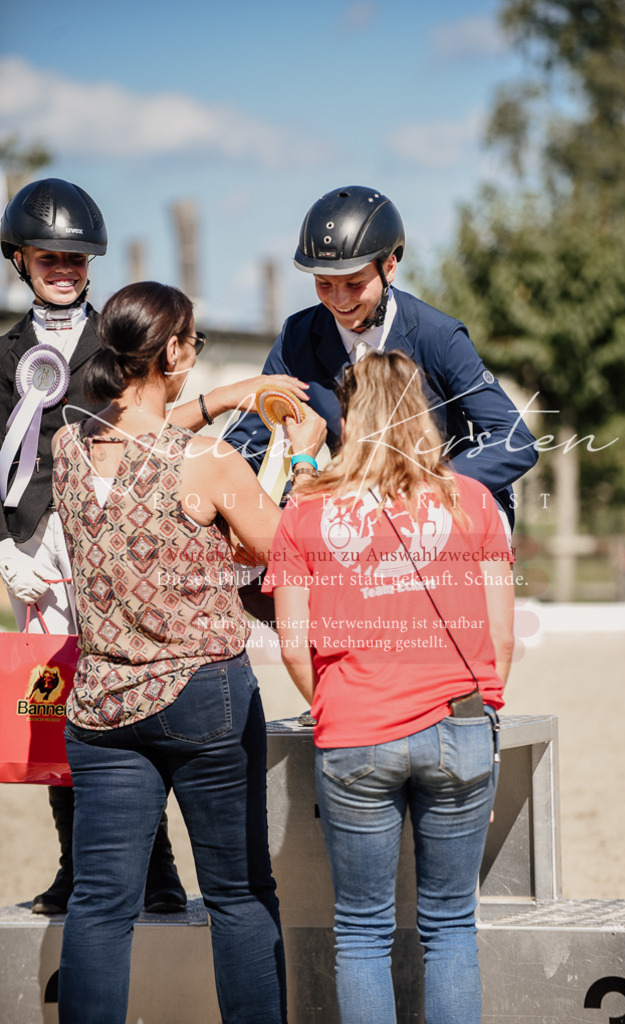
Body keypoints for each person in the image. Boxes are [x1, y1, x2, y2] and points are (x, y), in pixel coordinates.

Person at [51, 280, 324, 1024]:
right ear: (172, 351)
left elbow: (139, 431)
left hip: (103, 706)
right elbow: (283, 549)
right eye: (193, 342)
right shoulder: (204, 461)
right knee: (238, 896)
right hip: (203, 694)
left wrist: (228, 395)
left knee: (102, 904)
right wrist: (298, 459)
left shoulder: (68, 445)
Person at [264, 351, 515, 1024]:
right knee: (451, 927)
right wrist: (485, 728)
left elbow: (293, 644)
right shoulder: (474, 500)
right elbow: (502, 637)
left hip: (357, 730)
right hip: (460, 725)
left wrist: (335, 702)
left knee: (364, 932)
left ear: (350, 415)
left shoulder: (306, 511)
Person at [0, 177, 184, 914]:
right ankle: (77, 865)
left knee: (127, 701)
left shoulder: (119, 339)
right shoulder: (5, 352)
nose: (65, 269)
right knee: (54, 711)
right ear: (20, 259)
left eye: (76, 259)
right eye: (50, 257)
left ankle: (160, 870)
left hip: (110, 545)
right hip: (31, 548)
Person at [226, 185, 538, 530]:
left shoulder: (439, 336)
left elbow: (514, 440)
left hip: (442, 510)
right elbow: (246, 443)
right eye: (324, 284)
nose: (339, 300)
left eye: (354, 283)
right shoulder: (296, 338)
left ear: (389, 268)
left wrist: (426, 489)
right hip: (353, 513)